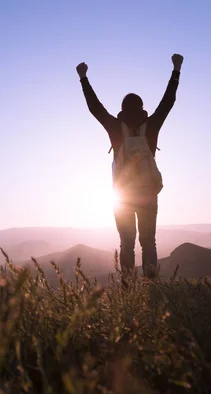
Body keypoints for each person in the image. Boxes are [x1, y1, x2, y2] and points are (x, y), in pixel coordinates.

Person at [76, 54, 183, 286]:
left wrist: (83, 78)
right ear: (142, 108)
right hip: (148, 193)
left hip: (122, 195)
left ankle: (127, 288)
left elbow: (95, 108)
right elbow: (168, 101)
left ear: (122, 109)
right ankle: (152, 285)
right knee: (149, 242)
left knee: (126, 243)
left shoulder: (115, 128)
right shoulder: (152, 126)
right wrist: (176, 70)